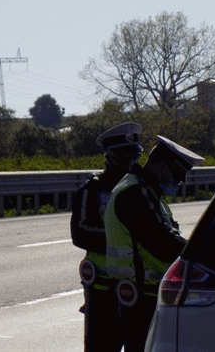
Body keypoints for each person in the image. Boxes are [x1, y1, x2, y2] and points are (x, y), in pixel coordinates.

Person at [104, 135, 204, 352]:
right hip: (141, 296)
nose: (180, 181)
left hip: (146, 293)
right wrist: (202, 254)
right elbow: (163, 245)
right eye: (177, 174)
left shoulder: (146, 191)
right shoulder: (135, 193)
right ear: (160, 165)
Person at [70, 122, 143, 352]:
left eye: (134, 158)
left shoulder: (141, 188)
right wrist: (123, 238)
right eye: (123, 158)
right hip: (103, 287)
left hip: (138, 285)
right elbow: (80, 233)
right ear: (109, 158)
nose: (130, 165)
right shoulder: (92, 190)